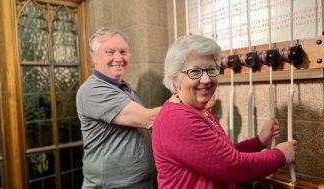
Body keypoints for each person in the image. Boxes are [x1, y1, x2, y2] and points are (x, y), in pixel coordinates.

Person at [152, 35, 298, 189]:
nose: (206, 80)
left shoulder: (199, 109)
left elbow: (222, 156)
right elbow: (234, 167)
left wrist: (259, 141)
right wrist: (280, 155)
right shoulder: (178, 118)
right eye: (195, 72)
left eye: (211, 70)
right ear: (175, 78)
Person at [76, 27, 161, 188]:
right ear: (94, 57)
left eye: (123, 52)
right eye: (110, 52)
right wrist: (187, 95)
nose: (118, 58)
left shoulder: (125, 88)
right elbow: (147, 119)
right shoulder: (93, 90)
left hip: (139, 183)